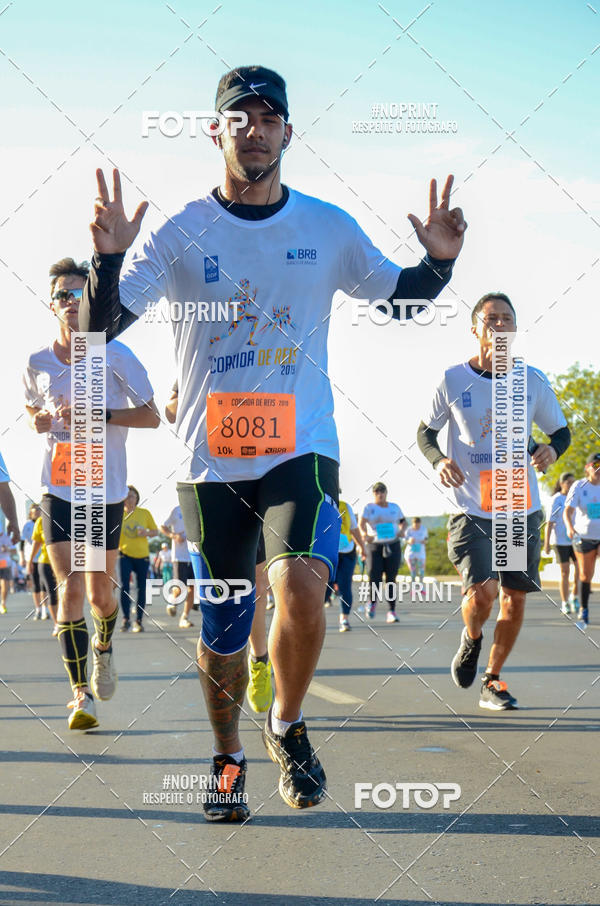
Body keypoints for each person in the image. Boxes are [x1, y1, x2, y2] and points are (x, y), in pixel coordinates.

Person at [80, 64, 466, 819]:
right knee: (225, 636)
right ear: (215, 130)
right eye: (239, 117)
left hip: (301, 447)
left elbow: (402, 298)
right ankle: (227, 756)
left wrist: (441, 265)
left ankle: (286, 727)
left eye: (267, 117)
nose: (253, 130)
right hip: (210, 462)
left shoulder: (325, 226)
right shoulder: (181, 229)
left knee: (299, 587)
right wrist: (109, 259)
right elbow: (96, 332)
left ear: (289, 132)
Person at [24, 257, 159, 729]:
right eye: (61, 293)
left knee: (101, 592)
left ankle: (103, 645)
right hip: (58, 487)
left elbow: (151, 415)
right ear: (51, 302)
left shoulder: (115, 355)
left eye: (78, 293)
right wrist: (36, 420)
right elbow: (32, 409)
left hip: (102, 489)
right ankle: (81, 696)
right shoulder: (36, 361)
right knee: (70, 586)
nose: (69, 302)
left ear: (92, 301)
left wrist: (104, 417)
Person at [417, 292, 570, 710]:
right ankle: (472, 638)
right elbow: (425, 433)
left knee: (513, 596)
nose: (499, 326)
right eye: (491, 319)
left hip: (518, 504)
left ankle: (493, 679)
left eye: (507, 319)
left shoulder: (532, 380)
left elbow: (560, 432)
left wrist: (552, 450)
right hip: (471, 507)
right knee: (482, 595)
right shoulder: (452, 379)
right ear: (475, 329)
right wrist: (439, 461)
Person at [359, 483, 406, 623]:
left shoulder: (394, 507)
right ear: (373, 494)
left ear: (386, 492)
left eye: (382, 491)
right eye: (377, 492)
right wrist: (364, 534)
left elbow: (403, 522)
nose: (380, 494)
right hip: (374, 545)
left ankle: (391, 611)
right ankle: (372, 602)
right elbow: (361, 524)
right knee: (375, 576)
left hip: (392, 544)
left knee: (391, 579)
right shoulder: (369, 508)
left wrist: (402, 530)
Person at [564, 453, 600, 628]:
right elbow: (568, 511)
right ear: (588, 468)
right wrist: (570, 528)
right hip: (583, 536)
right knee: (586, 574)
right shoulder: (579, 486)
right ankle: (584, 610)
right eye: (596, 465)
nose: (599, 469)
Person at [119, 485, 158, 633]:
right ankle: (126, 619)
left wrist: (146, 533)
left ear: (137, 498)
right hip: (124, 554)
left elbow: (155, 531)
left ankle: (139, 620)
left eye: (133, 496)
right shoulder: (118, 514)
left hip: (142, 556)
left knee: (142, 588)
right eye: (127, 496)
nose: (130, 499)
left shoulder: (144, 513)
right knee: (124, 586)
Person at [325, 494, 365, 631]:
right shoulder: (320, 503)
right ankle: (315, 619)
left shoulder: (345, 506)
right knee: (325, 585)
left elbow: (354, 529)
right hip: (327, 551)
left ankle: (344, 619)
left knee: (345, 585)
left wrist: (363, 547)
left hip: (347, 551)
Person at [543, 473, 579, 615]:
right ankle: (565, 603)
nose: (571, 485)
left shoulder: (576, 498)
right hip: (560, 541)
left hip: (576, 539)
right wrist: (546, 544)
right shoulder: (556, 499)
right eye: (568, 482)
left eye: (573, 482)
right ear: (562, 483)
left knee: (579, 571)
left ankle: (574, 597)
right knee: (565, 572)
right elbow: (549, 523)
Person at [160, 504, 195, 629]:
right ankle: (172, 599)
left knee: (193, 588)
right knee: (180, 588)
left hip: (195, 556)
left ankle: (184, 617)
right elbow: (163, 526)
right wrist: (173, 536)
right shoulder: (176, 510)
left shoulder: (202, 508)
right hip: (179, 557)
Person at [28, 514, 60, 635]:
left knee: (66, 592)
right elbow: (36, 543)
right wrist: (30, 561)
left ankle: (67, 621)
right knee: (52, 593)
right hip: (46, 562)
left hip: (64, 562)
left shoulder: (68, 515)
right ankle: (57, 624)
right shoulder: (41, 521)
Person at [20, 504, 47, 619]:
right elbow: (22, 544)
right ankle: (38, 609)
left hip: (45, 558)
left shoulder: (44, 522)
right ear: (30, 513)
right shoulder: (27, 525)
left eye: (38, 510)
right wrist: (22, 558)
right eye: (34, 511)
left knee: (45, 585)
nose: (36, 512)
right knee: (35, 585)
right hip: (32, 559)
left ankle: (46, 609)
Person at [404, 517, 429, 584]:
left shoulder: (423, 529)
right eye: (415, 524)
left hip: (420, 552)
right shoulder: (409, 530)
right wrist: (409, 541)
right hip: (411, 553)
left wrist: (425, 541)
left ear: (420, 523)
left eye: (418, 524)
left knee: (421, 570)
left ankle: (421, 584)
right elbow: (405, 539)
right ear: (412, 523)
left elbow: (426, 538)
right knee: (413, 571)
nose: (416, 525)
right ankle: (413, 584)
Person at [0, 529, 15, 614]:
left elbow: (14, 550)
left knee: (4, 585)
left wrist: (7, 549)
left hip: (4, 562)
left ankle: (3, 603)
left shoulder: (7, 537)